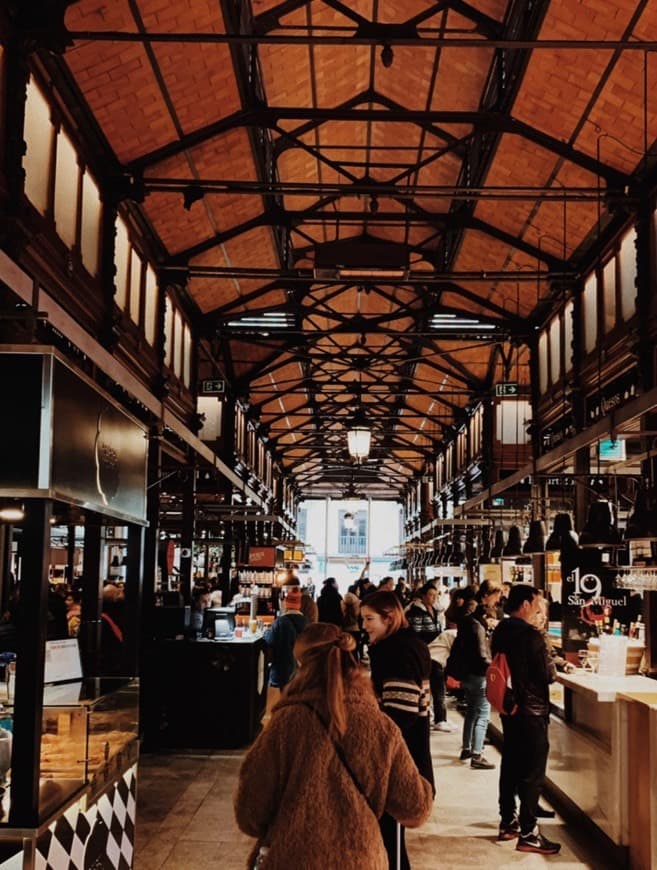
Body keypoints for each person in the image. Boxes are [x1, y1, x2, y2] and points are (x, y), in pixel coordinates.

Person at [234, 623, 433, 870]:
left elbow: (249, 814)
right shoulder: (380, 726)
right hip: (361, 859)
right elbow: (416, 808)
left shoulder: (285, 724)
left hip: (292, 859)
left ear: (301, 666)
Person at [361, 591, 434, 870]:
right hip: (400, 756)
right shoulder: (398, 646)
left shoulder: (398, 651)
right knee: (388, 839)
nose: (365, 625)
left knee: (391, 839)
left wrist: (371, 741)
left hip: (402, 760)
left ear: (389, 618)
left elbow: (400, 715)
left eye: (370, 619)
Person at [491, 584, 561, 855]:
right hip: (531, 711)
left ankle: (508, 821)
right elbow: (547, 674)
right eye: (536, 604)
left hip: (510, 709)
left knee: (511, 764)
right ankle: (530, 833)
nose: (539, 609)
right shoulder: (531, 636)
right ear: (524, 605)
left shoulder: (501, 630)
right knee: (533, 772)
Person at [455, 578, 501, 769]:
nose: (496, 603)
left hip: (467, 673)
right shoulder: (478, 626)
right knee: (482, 713)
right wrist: (492, 668)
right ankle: (477, 754)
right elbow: (482, 654)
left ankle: (466, 748)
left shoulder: (467, 621)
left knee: (472, 711)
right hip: (479, 674)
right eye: (495, 598)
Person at [406, 582, 452, 732]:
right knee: (432, 686)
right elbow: (415, 633)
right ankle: (438, 718)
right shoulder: (416, 612)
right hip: (424, 653)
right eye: (430, 595)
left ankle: (437, 716)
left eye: (435, 595)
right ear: (423, 596)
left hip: (436, 652)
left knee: (436, 686)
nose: (433, 598)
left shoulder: (435, 610)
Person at [264, 586, 308, 694]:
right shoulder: (306, 622)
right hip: (301, 668)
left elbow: (270, 640)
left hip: (283, 668)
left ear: (286, 605)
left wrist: (266, 632)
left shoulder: (280, 621)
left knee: (284, 697)